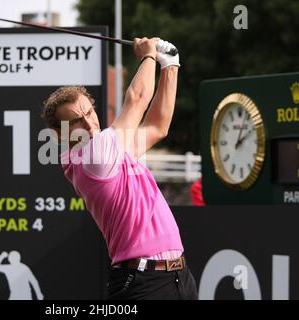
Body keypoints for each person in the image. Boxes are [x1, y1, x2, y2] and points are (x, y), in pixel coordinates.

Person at [42, 37, 197, 300]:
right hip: (141, 282)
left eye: (90, 113)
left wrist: (170, 65)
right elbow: (137, 99)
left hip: (179, 277)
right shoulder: (93, 155)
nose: (90, 124)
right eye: (77, 121)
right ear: (60, 134)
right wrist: (148, 55)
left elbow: (158, 126)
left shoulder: (111, 150)